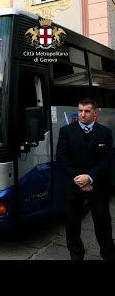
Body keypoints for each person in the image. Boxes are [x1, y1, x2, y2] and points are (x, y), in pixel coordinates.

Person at [56, 98, 115, 261]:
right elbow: (62, 158)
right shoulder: (66, 131)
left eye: (87, 111)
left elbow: (107, 160)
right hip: (73, 186)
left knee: (103, 224)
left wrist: (89, 178)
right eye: (80, 110)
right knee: (72, 225)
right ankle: (76, 256)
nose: (82, 114)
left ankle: (109, 255)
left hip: (98, 186)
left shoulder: (105, 132)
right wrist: (79, 179)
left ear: (95, 114)